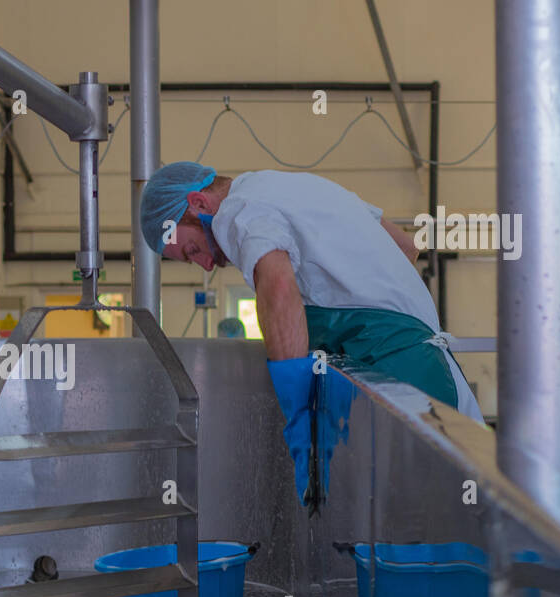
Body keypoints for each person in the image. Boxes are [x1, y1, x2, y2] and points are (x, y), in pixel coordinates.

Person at [139, 162, 483, 423]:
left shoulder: (237, 212)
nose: (207, 265)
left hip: (406, 382)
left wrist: (295, 407)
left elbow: (278, 286)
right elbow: (406, 247)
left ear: (199, 203)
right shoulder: (292, 187)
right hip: (434, 372)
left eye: (192, 250)